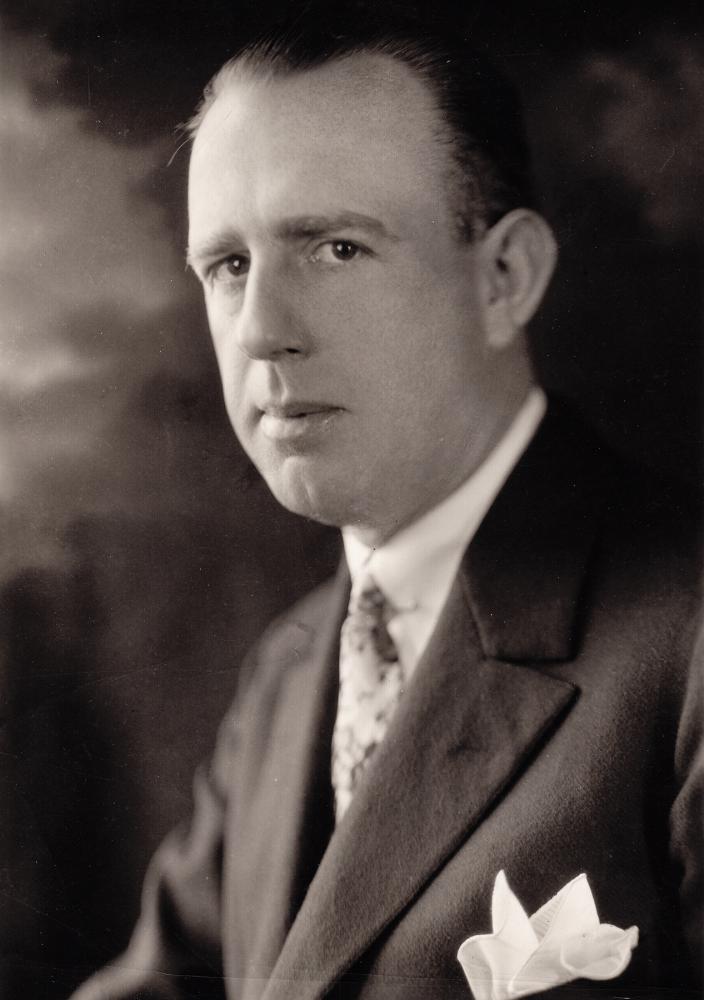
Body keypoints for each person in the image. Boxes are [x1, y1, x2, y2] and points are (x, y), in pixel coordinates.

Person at [73, 5, 702, 999]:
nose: (260, 331)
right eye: (229, 265)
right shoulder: (285, 672)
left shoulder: (686, 640)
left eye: (334, 249)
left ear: (504, 277)